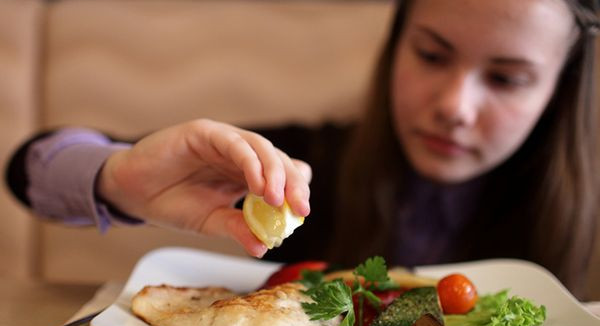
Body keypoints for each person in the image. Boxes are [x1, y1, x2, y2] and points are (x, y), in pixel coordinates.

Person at [5, 0, 600, 298]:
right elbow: (28, 169)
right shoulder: (295, 164)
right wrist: (116, 177)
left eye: (506, 79)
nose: (455, 105)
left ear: (558, 91)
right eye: (432, 54)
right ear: (394, 47)